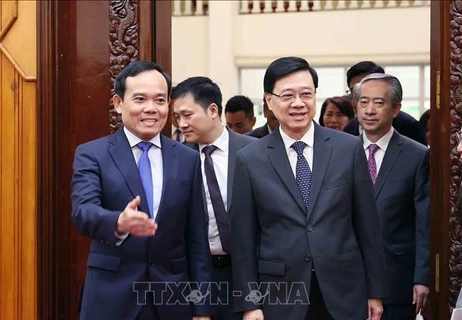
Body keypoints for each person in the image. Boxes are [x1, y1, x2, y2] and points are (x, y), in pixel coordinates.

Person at [229, 56, 387, 320]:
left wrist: (375, 291)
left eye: (306, 94)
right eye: (288, 95)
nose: (298, 103)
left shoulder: (347, 149)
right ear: (269, 100)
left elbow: (367, 226)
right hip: (280, 295)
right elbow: (244, 240)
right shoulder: (249, 158)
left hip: (344, 290)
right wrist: (250, 303)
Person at [71, 61, 212, 320]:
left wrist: (201, 309)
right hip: (112, 298)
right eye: (139, 99)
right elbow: (83, 212)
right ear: (118, 103)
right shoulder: (93, 154)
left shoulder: (187, 158)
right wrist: (119, 222)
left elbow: (196, 240)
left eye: (159, 100)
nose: (151, 108)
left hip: (172, 300)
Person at [172, 76, 256, 320]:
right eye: (177, 117)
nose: (181, 124)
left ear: (212, 110)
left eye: (187, 115)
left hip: (248, 273)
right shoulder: (176, 159)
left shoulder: (253, 152)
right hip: (197, 275)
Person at [354, 73, 430, 319]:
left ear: (396, 108)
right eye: (363, 102)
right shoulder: (341, 151)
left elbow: (424, 222)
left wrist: (422, 277)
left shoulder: (417, 155)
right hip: (348, 279)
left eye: (378, 102)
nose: (369, 110)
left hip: (397, 279)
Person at [343, 61, 427, 146]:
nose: (369, 110)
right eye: (354, 90)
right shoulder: (349, 128)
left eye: (378, 102)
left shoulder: (409, 126)